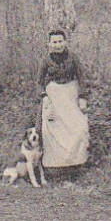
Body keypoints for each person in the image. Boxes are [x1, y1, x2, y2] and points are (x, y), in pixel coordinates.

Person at [36, 30, 90, 171]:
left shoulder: (73, 58)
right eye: (54, 42)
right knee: (53, 130)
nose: (58, 44)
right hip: (54, 98)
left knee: (78, 128)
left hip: (71, 95)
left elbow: (82, 77)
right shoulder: (46, 61)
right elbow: (39, 81)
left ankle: (76, 165)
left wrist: (82, 97)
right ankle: (56, 168)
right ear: (49, 44)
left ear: (65, 42)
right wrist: (44, 95)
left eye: (60, 41)